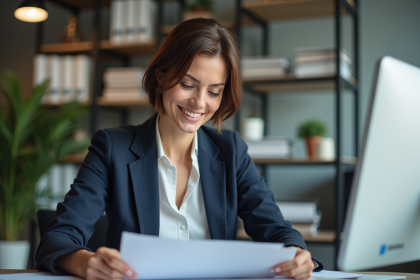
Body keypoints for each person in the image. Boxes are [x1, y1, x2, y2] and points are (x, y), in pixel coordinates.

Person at [35, 18, 323, 280]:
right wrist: (86, 262)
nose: (199, 102)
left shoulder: (231, 151)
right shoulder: (113, 148)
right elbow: (58, 238)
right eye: (188, 84)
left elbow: (277, 230)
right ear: (161, 77)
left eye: (214, 91)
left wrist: (297, 254)